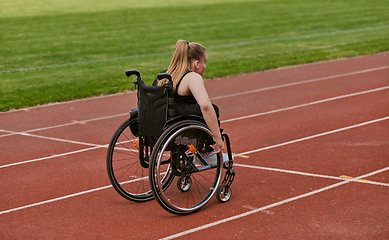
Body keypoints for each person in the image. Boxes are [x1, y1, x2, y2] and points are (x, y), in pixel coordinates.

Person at [156, 40, 225, 155]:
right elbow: (205, 106)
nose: (205, 66)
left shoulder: (164, 75)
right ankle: (205, 151)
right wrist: (217, 138)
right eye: (204, 62)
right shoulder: (192, 77)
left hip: (160, 125)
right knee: (213, 109)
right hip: (175, 127)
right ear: (197, 64)